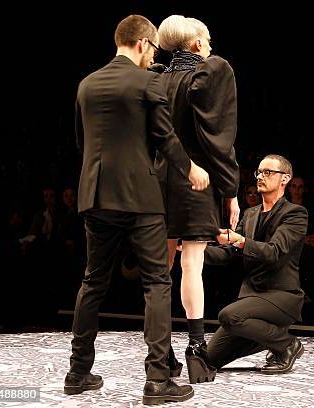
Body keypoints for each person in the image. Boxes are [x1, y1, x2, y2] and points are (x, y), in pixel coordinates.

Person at [67, 15, 209, 405]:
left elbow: (83, 143)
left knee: (93, 281)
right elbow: (165, 137)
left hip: (95, 195)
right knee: (156, 284)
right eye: (153, 51)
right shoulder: (148, 81)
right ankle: (157, 381)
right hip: (140, 198)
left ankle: (77, 372)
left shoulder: (86, 84)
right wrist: (191, 169)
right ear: (145, 44)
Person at [156, 15, 240, 384]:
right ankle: (195, 349)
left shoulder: (155, 79)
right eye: (206, 41)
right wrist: (231, 190)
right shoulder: (206, 75)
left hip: (156, 182)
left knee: (161, 272)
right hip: (195, 181)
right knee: (192, 265)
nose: (210, 48)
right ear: (194, 45)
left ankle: (161, 353)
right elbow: (216, 139)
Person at [204, 154, 308, 374]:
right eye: (259, 172)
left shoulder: (295, 214)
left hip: (281, 296)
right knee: (208, 360)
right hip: (252, 297)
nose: (260, 176)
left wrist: (239, 240)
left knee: (229, 315)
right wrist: (195, 252)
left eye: (268, 172)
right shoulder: (250, 214)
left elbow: (273, 252)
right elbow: (229, 254)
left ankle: (287, 344)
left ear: (285, 179)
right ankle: (272, 338)